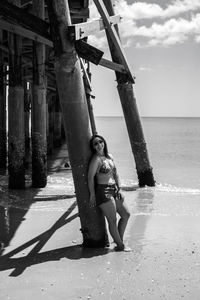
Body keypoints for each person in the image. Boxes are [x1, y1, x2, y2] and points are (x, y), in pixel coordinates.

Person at [88, 134, 131, 251]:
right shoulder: (95, 160)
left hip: (114, 189)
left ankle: (118, 241)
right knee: (112, 220)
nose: (99, 145)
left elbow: (116, 174)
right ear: (93, 147)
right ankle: (121, 246)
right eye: (95, 144)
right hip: (103, 191)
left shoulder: (109, 157)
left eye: (100, 142)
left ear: (104, 142)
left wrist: (120, 188)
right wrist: (92, 194)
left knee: (126, 215)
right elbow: (90, 178)